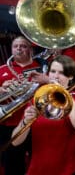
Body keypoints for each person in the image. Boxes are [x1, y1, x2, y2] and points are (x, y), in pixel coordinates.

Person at [11, 55, 75, 175]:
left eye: (62, 73)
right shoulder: (37, 97)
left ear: (71, 76)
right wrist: (25, 121)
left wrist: (64, 93)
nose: (56, 76)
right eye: (53, 71)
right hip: (39, 167)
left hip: (70, 168)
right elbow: (15, 141)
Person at [0, 36, 47, 175]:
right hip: (9, 124)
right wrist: (2, 90)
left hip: (37, 123)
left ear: (30, 50)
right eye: (16, 46)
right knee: (12, 165)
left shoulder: (41, 69)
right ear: (11, 49)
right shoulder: (2, 69)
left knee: (39, 163)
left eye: (23, 46)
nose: (19, 49)